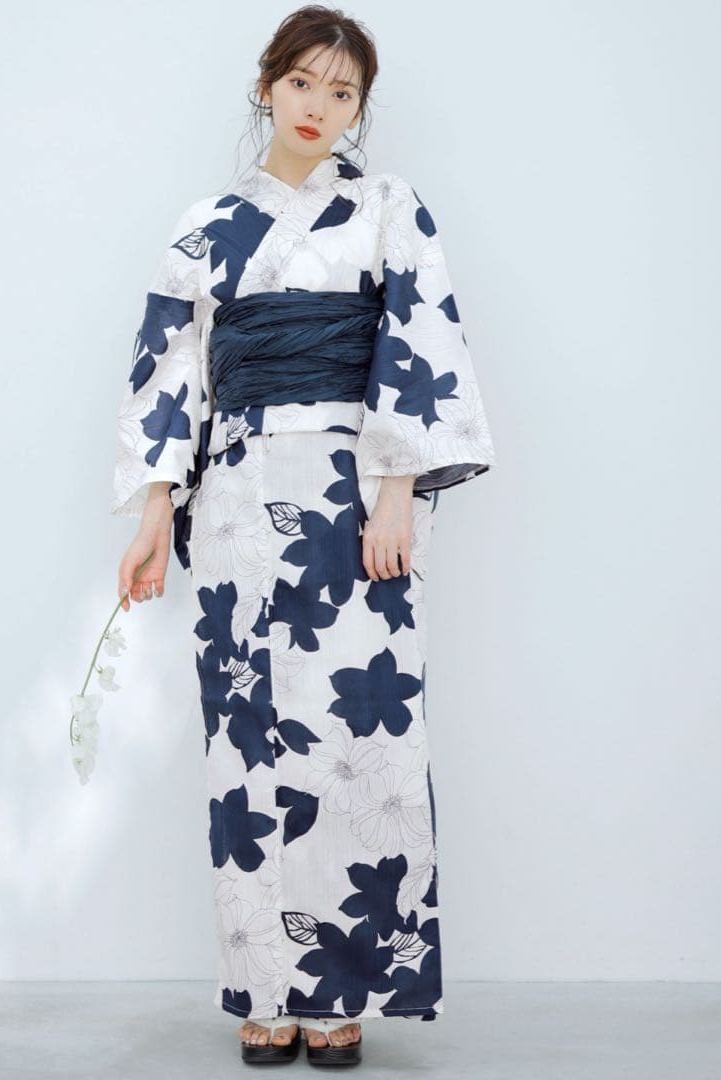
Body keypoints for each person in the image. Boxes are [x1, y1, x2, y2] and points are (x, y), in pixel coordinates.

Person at [111, 4, 496, 1067]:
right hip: (235, 499)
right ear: (266, 85)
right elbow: (171, 374)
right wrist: (155, 514)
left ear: (358, 107)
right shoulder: (205, 228)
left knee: (356, 742)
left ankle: (340, 991)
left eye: (342, 91)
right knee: (246, 737)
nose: (318, 106)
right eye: (301, 83)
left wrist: (395, 490)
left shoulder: (386, 208)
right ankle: (264, 986)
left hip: (350, 494)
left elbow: (419, 339)